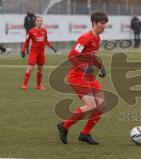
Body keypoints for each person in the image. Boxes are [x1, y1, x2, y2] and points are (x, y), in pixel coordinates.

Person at [57, 12, 108, 145]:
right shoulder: (85, 38)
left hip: (89, 77)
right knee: (91, 105)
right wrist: (83, 67)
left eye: (105, 23)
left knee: (101, 105)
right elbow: (72, 55)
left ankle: (85, 134)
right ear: (94, 23)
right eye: (101, 23)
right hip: (77, 76)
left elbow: (91, 57)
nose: (104, 26)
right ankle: (64, 126)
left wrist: (100, 66)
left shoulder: (97, 39)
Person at [21, 16, 57, 90]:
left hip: (41, 53)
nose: (39, 22)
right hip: (33, 53)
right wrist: (23, 50)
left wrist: (52, 47)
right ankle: (24, 85)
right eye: (38, 21)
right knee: (30, 69)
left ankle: (38, 86)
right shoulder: (31, 31)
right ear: (35, 22)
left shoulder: (44, 30)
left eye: (41, 21)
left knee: (40, 70)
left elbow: (46, 40)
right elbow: (26, 41)